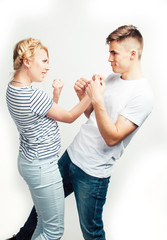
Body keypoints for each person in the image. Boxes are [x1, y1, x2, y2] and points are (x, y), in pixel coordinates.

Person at [7, 25, 154, 240]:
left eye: (114, 53)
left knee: (91, 232)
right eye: (109, 52)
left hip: (93, 174)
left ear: (133, 54)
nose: (109, 59)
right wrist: (83, 98)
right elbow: (94, 119)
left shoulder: (143, 96)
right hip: (71, 157)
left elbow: (112, 137)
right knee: (40, 212)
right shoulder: (113, 78)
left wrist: (93, 98)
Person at [6, 38, 91, 240]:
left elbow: (40, 119)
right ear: (27, 61)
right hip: (43, 166)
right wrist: (91, 95)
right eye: (43, 61)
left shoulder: (12, 89)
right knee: (53, 232)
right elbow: (69, 117)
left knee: (43, 225)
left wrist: (55, 94)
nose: (47, 67)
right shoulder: (33, 95)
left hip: (30, 162)